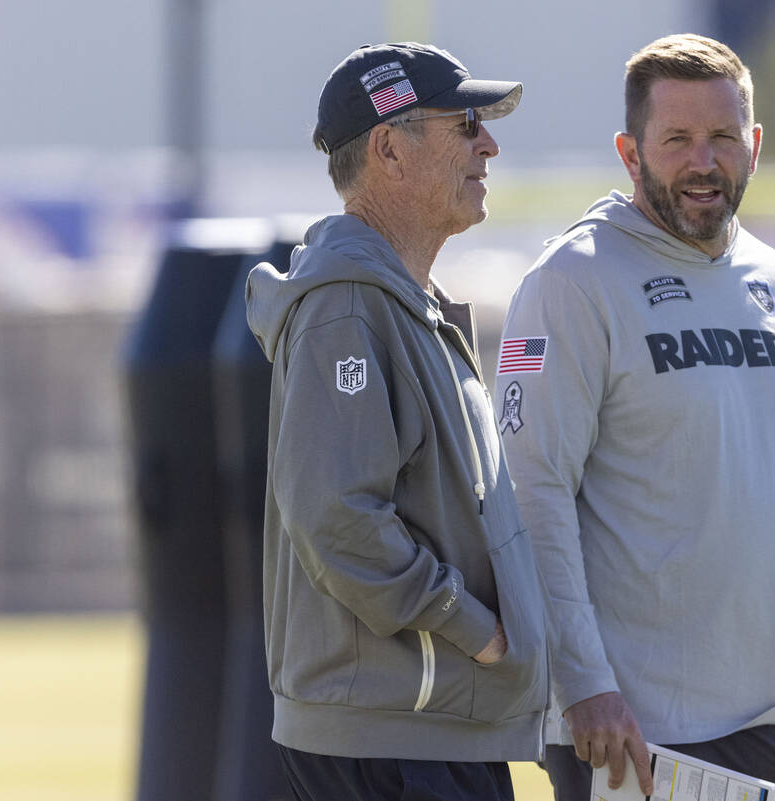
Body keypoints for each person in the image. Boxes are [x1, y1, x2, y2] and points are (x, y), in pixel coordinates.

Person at [495, 34, 775, 801]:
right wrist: (584, 683)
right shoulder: (573, 281)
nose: (704, 161)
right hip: (641, 733)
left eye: (722, 136)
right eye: (677, 140)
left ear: (753, 147)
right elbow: (532, 499)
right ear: (630, 154)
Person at [244, 42, 549, 801]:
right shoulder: (345, 309)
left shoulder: (398, 304)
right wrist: (475, 629)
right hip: (392, 741)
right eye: (465, 124)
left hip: (425, 727)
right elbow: (338, 519)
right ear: (388, 147)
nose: (489, 144)